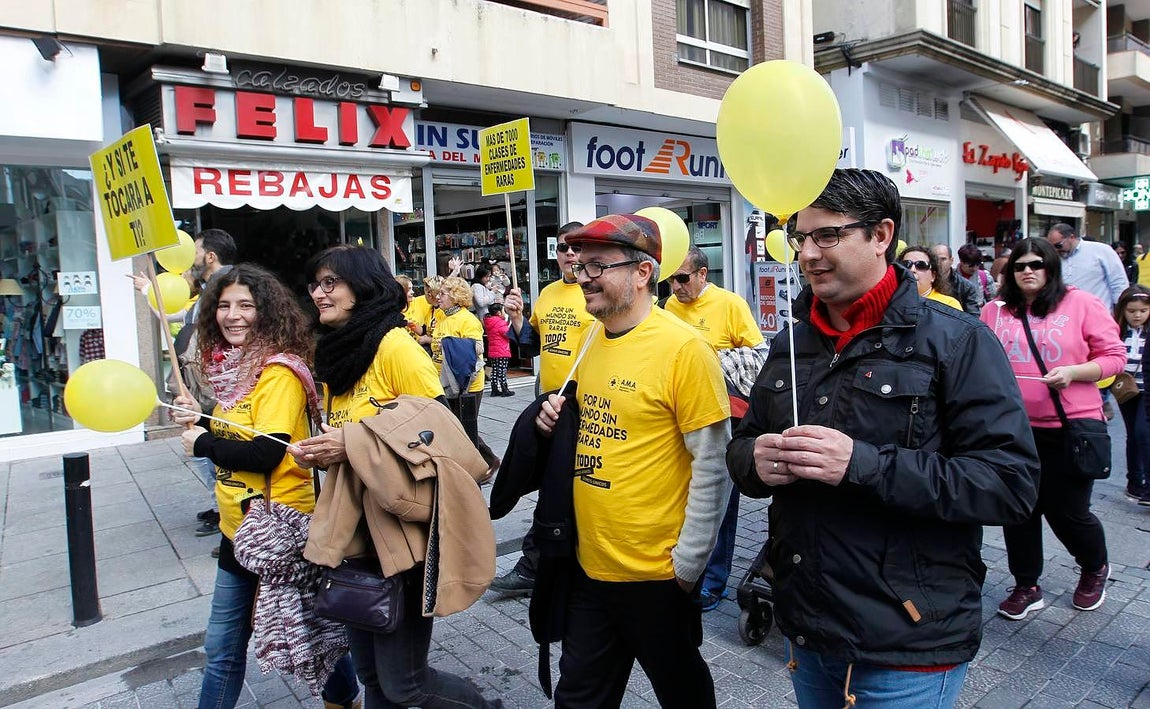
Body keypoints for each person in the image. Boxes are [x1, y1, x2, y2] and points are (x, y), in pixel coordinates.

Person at [728, 169, 1039, 708]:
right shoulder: (791, 344)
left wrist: (861, 464)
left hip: (909, 639)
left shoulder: (958, 340)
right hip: (809, 625)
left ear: (881, 235)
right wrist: (754, 459)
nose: (808, 254)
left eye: (828, 235)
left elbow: (1009, 484)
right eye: (802, 238)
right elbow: (744, 446)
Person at [535, 213, 732, 708]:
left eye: (597, 266)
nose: (583, 278)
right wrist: (551, 421)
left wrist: (688, 565)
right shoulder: (591, 337)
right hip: (588, 567)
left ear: (642, 273)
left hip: (656, 576)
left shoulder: (685, 350)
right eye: (580, 266)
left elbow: (713, 463)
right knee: (578, 698)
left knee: (683, 692)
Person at [288, 246, 495, 708]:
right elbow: (353, 438)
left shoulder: (395, 346)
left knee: (406, 684)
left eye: (330, 283)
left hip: (401, 538)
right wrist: (325, 453)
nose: (318, 294)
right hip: (354, 537)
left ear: (362, 288)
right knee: (371, 677)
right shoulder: (340, 354)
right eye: (315, 284)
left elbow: (441, 436)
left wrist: (353, 444)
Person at [170, 264, 361, 709]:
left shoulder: (276, 372)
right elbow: (237, 429)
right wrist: (199, 418)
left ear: (268, 312)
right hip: (238, 529)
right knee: (247, 641)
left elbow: (267, 452)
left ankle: (344, 696)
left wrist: (203, 443)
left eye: (245, 306)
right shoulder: (236, 372)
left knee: (280, 635)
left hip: (280, 529)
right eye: (223, 305)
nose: (232, 315)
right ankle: (345, 697)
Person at [980, 238, 1125, 620]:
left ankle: (1094, 567)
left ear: (1052, 268)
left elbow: (1113, 357)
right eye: (1020, 265)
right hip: (1013, 428)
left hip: (1071, 426)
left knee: (1068, 511)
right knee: (1018, 509)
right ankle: (1026, 584)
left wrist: (1074, 373)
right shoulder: (994, 312)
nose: (1028, 271)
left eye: (1037, 264)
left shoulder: (1081, 303)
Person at [664, 245, 767, 611]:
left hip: (724, 416)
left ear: (703, 274)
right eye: (671, 279)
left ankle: (714, 581)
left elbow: (758, 354)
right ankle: (685, 566)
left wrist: (710, 361)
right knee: (685, 496)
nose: (676, 287)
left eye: (683, 278)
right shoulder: (669, 307)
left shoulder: (730, 304)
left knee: (720, 499)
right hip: (680, 416)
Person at [494, 221, 594, 595]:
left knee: (560, 485)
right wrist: (518, 317)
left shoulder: (594, 291)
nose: (570, 254)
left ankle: (537, 563)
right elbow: (532, 345)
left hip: (585, 402)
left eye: (576, 248)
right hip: (550, 400)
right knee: (554, 483)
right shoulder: (548, 294)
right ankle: (543, 561)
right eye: (564, 248)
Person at [182, 229, 237, 539]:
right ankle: (224, 512)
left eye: (196, 250)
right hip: (206, 383)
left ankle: (229, 517)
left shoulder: (226, 286)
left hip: (216, 385)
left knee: (216, 444)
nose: (233, 316)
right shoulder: (208, 288)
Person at [433, 275, 500, 475]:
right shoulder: (442, 315)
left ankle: (489, 461)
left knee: (464, 427)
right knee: (454, 426)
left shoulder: (467, 319)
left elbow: (477, 348)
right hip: (445, 381)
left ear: (455, 296)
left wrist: (449, 343)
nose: (439, 297)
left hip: (466, 384)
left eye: (443, 293)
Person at [1113, 284, 1150, 502]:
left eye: (1143, 311)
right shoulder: (1117, 330)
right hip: (1126, 391)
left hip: (1146, 389)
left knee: (1143, 433)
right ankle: (1134, 482)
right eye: (1132, 311)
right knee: (1133, 436)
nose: (1137, 315)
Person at [1045, 223, 1128, 311]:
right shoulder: (1055, 257)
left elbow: (1118, 281)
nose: (1056, 250)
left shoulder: (1101, 250)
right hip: (1067, 315)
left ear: (1071, 237)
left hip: (1098, 313)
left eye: (1058, 245)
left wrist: (1120, 310)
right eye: (1052, 247)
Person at [900, 245, 962, 310]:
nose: (912, 270)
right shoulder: (892, 301)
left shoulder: (949, 305)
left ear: (933, 276)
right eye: (906, 264)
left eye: (921, 265)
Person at [931, 243, 982, 314]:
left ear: (951, 260)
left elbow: (973, 317)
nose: (938, 263)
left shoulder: (966, 286)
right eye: (935, 259)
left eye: (943, 259)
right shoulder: (925, 282)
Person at [483, 302, 514, 397]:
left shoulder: (489, 322)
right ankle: (505, 389)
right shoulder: (500, 322)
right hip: (502, 351)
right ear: (499, 313)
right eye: (504, 310)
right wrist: (510, 322)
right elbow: (507, 333)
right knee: (502, 370)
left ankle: (494, 389)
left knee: (495, 370)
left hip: (493, 351)